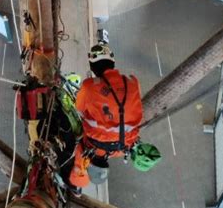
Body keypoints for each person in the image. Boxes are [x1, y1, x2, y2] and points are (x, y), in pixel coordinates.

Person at [69, 43, 160, 188]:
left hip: (95, 145)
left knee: (80, 151)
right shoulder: (132, 82)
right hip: (122, 146)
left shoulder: (89, 86)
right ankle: (77, 187)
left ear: (92, 67)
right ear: (113, 63)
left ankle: (77, 183)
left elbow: (78, 108)